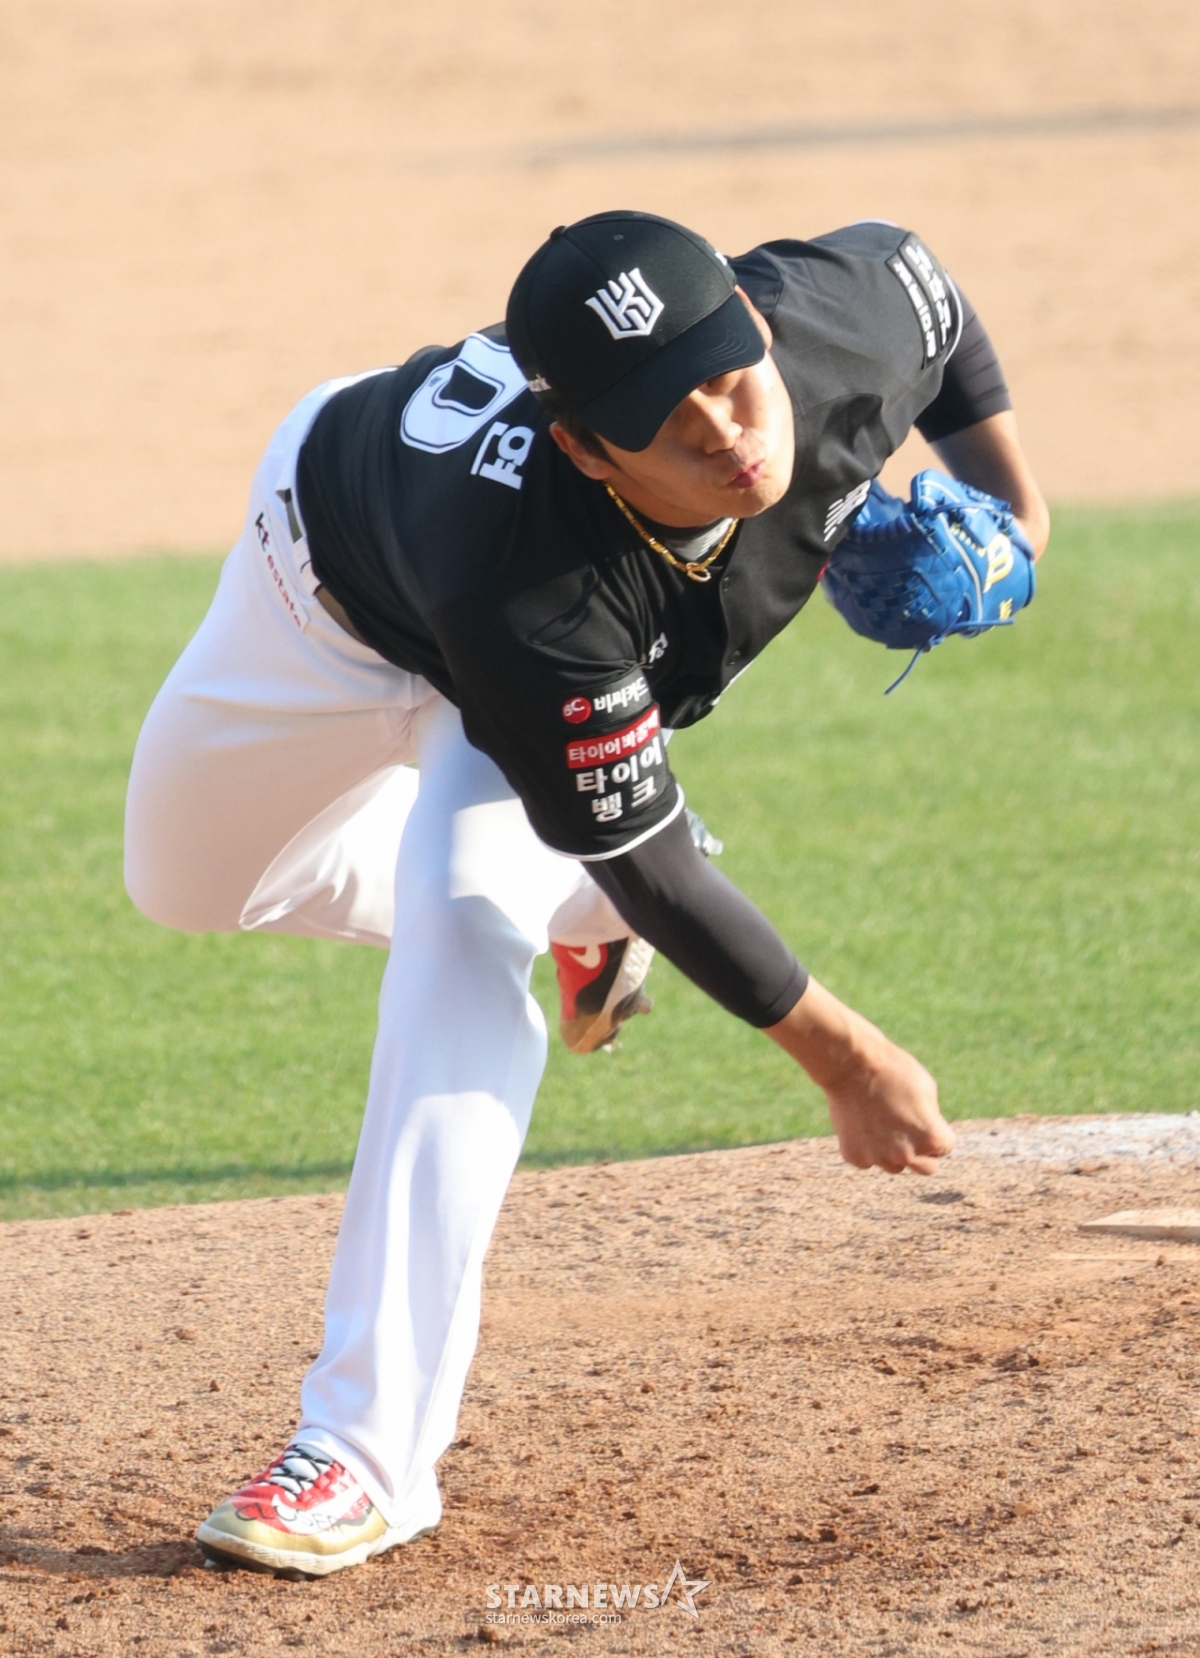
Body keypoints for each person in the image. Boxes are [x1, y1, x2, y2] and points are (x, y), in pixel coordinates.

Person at [123, 210, 1049, 1577]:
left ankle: (365, 1456)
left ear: (755, 318)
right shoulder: (531, 576)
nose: (733, 435)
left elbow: (936, 292)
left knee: (460, 919)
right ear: (586, 449)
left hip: (522, 698)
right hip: (323, 581)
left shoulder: (830, 327)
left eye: (737, 379)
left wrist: (1023, 518)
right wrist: (844, 1054)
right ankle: (588, 891)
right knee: (185, 879)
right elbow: (652, 862)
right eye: (672, 428)